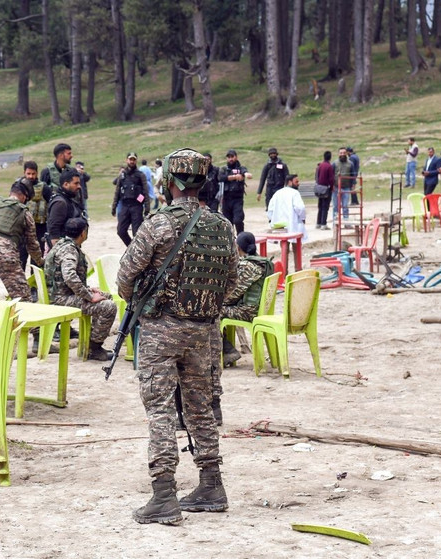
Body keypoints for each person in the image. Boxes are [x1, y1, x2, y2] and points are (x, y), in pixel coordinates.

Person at [118, 148, 238, 526]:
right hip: (204, 331)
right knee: (200, 409)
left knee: (160, 411)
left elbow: (124, 278)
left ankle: (164, 494)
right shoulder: (223, 226)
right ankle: (211, 485)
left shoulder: (158, 224)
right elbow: (232, 284)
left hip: (160, 330)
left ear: (169, 181)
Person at [45, 217, 115, 361]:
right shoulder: (69, 250)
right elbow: (69, 276)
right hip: (62, 300)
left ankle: (92, 341)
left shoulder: (61, 245)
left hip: (62, 294)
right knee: (108, 307)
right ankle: (94, 348)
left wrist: (88, 290)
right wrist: (89, 296)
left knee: (105, 296)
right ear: (83, 233)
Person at [0, 178, 42, 303]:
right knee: (23, 298)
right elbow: (32, 244)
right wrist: (40, 261)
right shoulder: (24, 213)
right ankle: (26, 322)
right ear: (25, 197)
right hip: (5, 255)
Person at [219, 232, 274, 369]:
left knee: (212, 312)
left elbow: (234, 293)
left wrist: (217, 300)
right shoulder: (264, 263)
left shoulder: (248, 266)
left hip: (248, 311)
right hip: (260, 309)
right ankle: (227, 351)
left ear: (238, 247)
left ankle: (227, 352)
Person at [111, 152, 150, 246]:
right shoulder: (122, 175)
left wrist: (146, 208)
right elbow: (117, 192)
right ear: (127, 160)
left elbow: (145, 192)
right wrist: (114, 207)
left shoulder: (140, 175)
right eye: (130, 159)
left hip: (136, 207)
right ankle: (131, 248)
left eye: (134, 159)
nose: (132, 161)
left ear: (136, 161)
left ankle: (137, 253)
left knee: (136, 233)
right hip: (124, 206)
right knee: (121, 231)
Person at [46, 169, 84, 246]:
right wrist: (59, 253)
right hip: (62, 251)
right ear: (66, 184)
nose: (79, 186)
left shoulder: (69, 199)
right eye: (76, 183)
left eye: (79, 183)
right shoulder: (60, 203)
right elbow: (54, 231)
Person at [21, 161, 49, 264]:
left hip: (39, 228)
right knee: (21, 259)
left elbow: (51, 204)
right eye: (28, 173)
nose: (31, 176)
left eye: (33, 174)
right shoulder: (19, 186)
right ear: (24, 172)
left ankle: (36, 280)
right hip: (22, 229)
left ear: (37, 173)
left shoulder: (44, 188)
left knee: (37, 261)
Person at [267, 174, 307, 246]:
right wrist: (303, 218)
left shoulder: (277, 193)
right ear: (289, 182)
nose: (298, 184)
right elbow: (300, 208)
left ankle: (285, 257)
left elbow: (270, 209)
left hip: (280, 224)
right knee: (296, 244)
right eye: (296, 182)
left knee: (284, 245)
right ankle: (296, 257)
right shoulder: (295, 193)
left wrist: (271, 220)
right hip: (292, 224)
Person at [218, 149, 249, 233]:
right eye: (229, 157)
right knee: (228, 223)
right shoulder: (224, 169)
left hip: (237, 200)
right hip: (226, 200)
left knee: (238, 220)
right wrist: (234, 177)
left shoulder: (241, 168)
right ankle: (230, 242)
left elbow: (245, 172)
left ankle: (241, 238)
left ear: (236, 157)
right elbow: (220, 178)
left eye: (232, 157)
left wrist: (246, 174)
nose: (230, 159)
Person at [334, 148, 355, 221]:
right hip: (336, 188)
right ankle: (335, 222)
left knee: (345, 206)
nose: (342, 154)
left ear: (346, 153)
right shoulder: (334, 163)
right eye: (341, 153)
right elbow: (331, 175)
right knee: (336, 206)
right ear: (338, 154)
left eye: (344, 153)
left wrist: (353, 185)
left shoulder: (350, 164)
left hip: (346, 188)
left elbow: (353, 175)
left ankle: (346, 222)